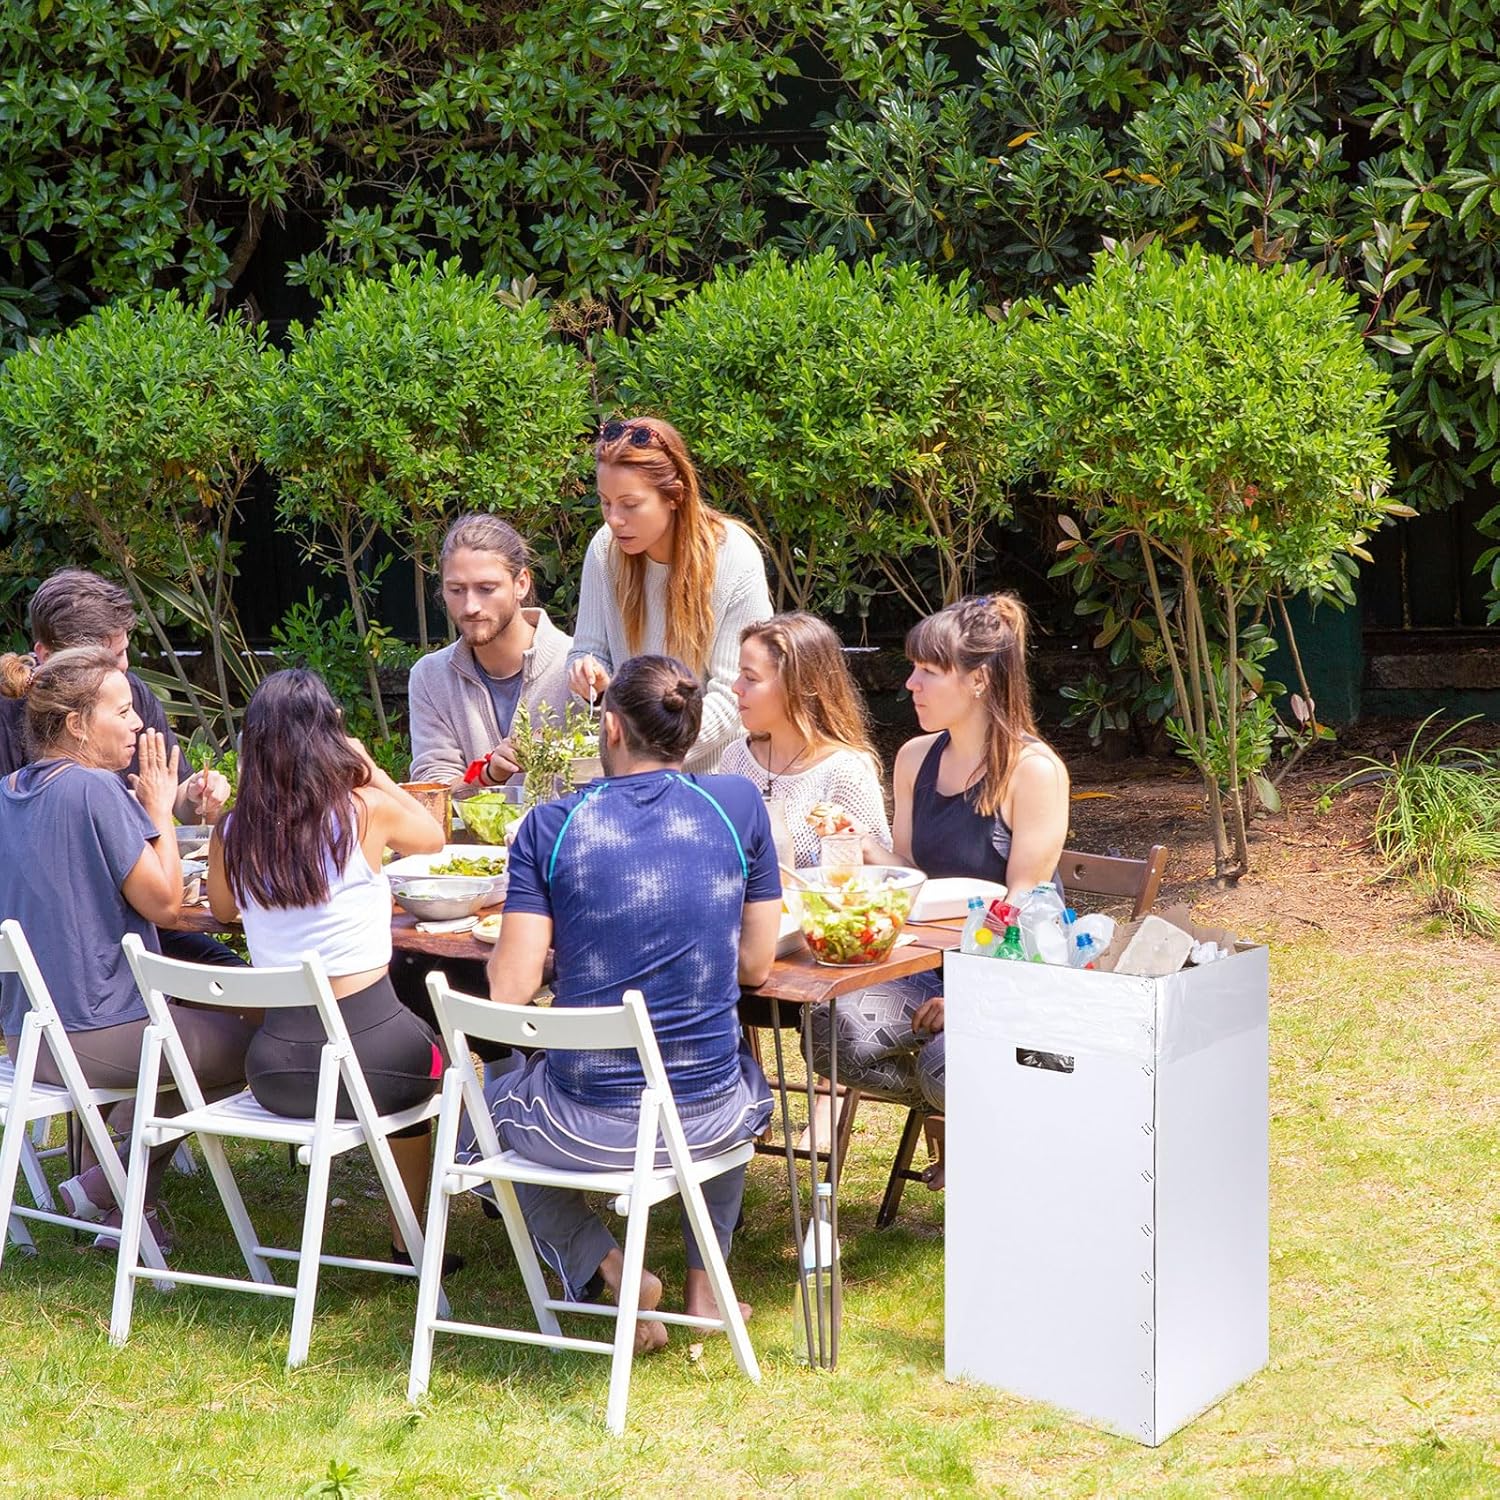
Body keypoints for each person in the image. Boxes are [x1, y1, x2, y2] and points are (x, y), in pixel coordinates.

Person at [474, 655, 780, 1352]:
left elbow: (510, 991)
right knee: (737, 1071)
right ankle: (707, 1287)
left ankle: (611, 1269)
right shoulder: (737, 805)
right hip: (712, 1121)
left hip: (587, 1127)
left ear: (610, 727)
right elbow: (756, 964)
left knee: (475, 1122)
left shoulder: (551, 826)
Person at [809, 593, 1070, 1189]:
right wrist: (865, 847)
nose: (911, 684)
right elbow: (913, 874)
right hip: (930, 969)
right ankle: (967, 1113)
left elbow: (1026, 904)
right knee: (829, 1032)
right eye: (914, 668)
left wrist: (972, 996)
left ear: (979, 680)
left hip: (1017, 973)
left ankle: (984, 1138)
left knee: (949, 1061)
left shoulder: (1033, 771)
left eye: (928, 670)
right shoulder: (914, 758)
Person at [0, 647, 252, 1250]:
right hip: (98, 1037)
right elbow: (165, 904)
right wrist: (159, 809)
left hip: (26, 1040)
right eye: (122, 711)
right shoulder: (95, 790)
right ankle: (109, 1179)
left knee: (192, 1031)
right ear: (76, 724)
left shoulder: (8, 791)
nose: (139, 722)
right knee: (270, 1043)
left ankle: (123, 1203)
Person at [206, 669, 454, 1266]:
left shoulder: (233, 829)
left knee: (414, 1056)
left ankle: (411, 1232)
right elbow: (433, 837)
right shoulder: (364, 811)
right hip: (379, 1065)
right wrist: (372, 771)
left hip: (276, 1073)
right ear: (329, 739)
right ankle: (409, 1237)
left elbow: (222, 909)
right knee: (445, 1065)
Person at [567, 417, 773, 774]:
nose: (614, 519)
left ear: (675, 496)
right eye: (605, 502)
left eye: (630, 504)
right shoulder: (604, 549)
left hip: (717, 777)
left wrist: (649, 753)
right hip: (631, 769)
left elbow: (735, 694)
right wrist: (590, 679)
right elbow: (587, 650)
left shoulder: (734, 556)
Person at [0, 569, 230, 821]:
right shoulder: (7, 710)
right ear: (46, 655)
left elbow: (180, 801)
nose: (123, 666)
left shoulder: (132, 692)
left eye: (123, 652)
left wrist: (199, 797)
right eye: (106, 659)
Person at [408, 514, 573, 793]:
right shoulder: (430, 676)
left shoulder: (577, 663)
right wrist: (486, 774)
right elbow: (435, 787)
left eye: (486, 589)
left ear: (521, 584)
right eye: (456, 590)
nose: (470, 606)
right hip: (468, 825)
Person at [723, 612, 891, 866]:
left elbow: (881, 875)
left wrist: (853, 842)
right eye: (740, 674)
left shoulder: (846, 770)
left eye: (751, 678)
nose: (736, 687)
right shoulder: (736, 757)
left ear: (796, 686)